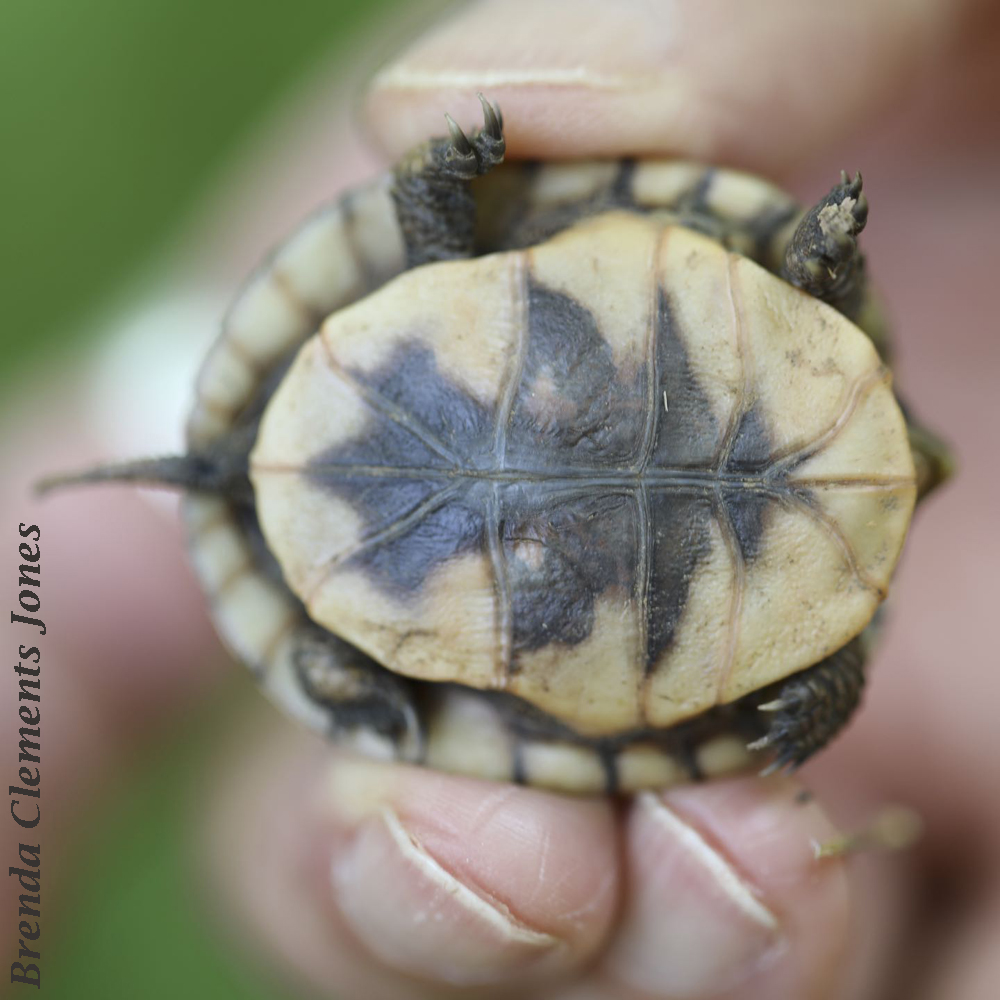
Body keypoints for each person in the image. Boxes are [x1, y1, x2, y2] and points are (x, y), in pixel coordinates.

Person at [6, 1, 998, 996]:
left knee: (483, 818)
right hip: (350, 610)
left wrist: (458, 165)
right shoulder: (816, 324)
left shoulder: (810, 295)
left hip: (354, 580)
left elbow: (495, 211)